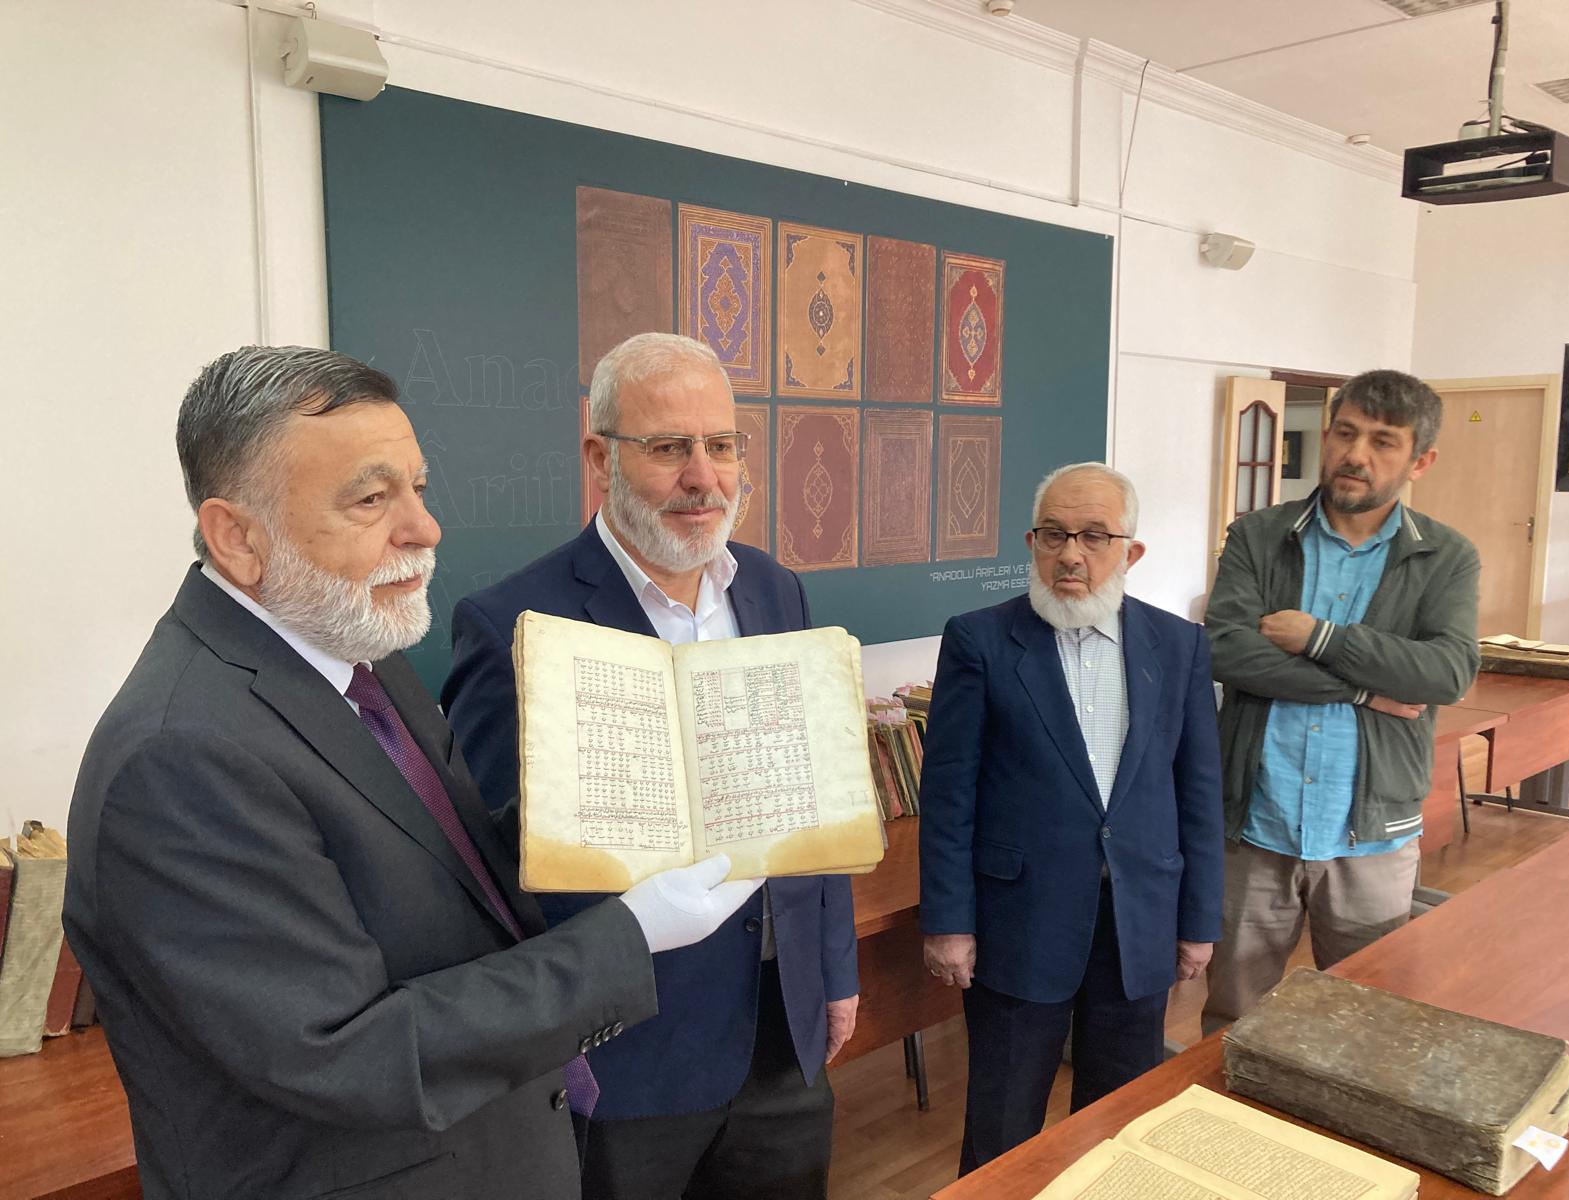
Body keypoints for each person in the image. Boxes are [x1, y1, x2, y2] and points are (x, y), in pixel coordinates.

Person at [64, 346, 762, 1200]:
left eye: (418, 489)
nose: (424, 529)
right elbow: (348, 1053)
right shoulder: (177, 758)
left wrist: (621, 808)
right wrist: (632, 931)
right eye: (370, 499)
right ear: (237, 537)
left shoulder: (362, 656)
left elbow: (448, 868)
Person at [443, 332, 859, 1200]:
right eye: (669, 447)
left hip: (782, 1032)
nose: (704, 477)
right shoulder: (514, 622)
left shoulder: (776, 589)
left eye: (722, 445)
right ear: (601, 459)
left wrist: (834, 971)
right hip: (626, 1055)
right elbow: (491, 873)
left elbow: (812, 797)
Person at [918, 462, 1224, 1176]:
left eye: (1093, 536)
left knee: (1120, 1121)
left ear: (1131, 552)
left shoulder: (1179, 647)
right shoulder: (979, 640)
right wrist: (948, 922)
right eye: (1054, 535)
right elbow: (949, 796)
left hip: (1138, 921)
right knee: (1002, 1129)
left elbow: (1199, 796)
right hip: (1019, 922)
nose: (1071, 555)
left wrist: (1198, 920)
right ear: (1032, 543)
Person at [1201, 369, 1480, 1035]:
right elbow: (1223, 651)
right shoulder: (1258, 536)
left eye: (1384, 442)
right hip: (1254, 824)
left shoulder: (1446, 557)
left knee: (1367, 1025)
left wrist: (1320, 637)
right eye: (1346, 433)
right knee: (1235, 1019)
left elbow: (1447, 672)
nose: (1357, 454)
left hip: (1371, 834)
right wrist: (1365, 689)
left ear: (1420, 461)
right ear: (1327, 436)